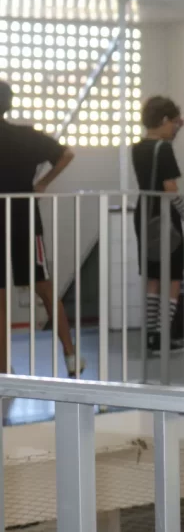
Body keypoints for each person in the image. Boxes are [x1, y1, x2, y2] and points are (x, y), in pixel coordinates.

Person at [0, 81, 83, 377]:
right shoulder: (26, 136)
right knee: (45, 288)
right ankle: (71, 355)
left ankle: (3, 370)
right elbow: (67, 154)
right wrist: (43, 183)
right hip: (24, 216)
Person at [132, 96, 184, 355]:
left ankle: (151, 336)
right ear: (165, 119)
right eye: (173, 123)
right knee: (173, 278)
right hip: (166, 217)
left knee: (153, 276)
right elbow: (170, 188)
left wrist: (176, 128)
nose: (174, 128)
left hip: (144, 214)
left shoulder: (137, 148)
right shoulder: (164, 149)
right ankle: (163, 335)